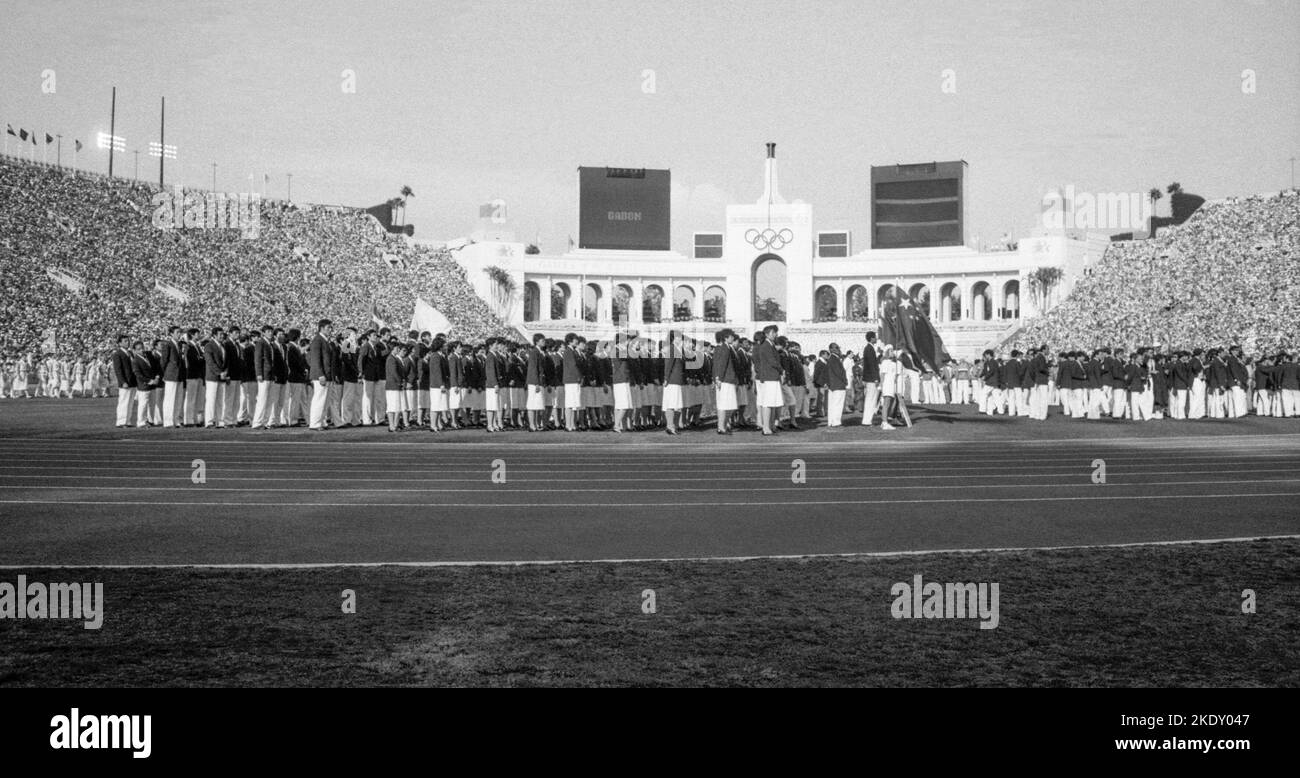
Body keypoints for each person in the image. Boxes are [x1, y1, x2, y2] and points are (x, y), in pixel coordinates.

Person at [308, 319, 335, 431]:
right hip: (321, 375)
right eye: (329, 327)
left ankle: (322, 421)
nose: (330, 330)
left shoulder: (325, 341)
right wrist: (320, 374)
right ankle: (315, 423)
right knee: (319, 399)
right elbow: (315, 359)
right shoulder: (317, 340)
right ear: (322, 328)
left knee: (325, 400)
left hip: (327, 374)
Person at [202, 327, 227, 428]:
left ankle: (220, 421)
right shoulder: (209, 346)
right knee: (211, 400)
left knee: (221, 400)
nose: (222, 336)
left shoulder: (223, 346)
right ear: (214, 335)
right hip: (212, 377)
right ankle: (209, 421)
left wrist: (225, 372)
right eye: (220, 334)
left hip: (222, 376)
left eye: (222, 334)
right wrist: (219, 372)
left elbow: (226, 361)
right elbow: (210, 361)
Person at [860, 331, 881, 427]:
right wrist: (876, 378)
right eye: (875, 337)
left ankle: (868, 419)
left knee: (871, 399)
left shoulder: (869, 348)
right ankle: (867, 420)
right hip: (872, 379)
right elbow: (871, 365)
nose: (876, 339)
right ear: (872, 338)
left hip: (869, 378)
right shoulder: (869, 349)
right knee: (871, 399)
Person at [825, 343, 848, 427]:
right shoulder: (834, 358)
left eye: (838, 347)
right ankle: (836, 422)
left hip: (833, 384)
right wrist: (844, 380)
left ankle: (831, 421)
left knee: (833, 404)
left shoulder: (832, 358)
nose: (838, 349)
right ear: (831, 349)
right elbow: (838, 372)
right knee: (837, 404)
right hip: (838, 384)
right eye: (836, 348)